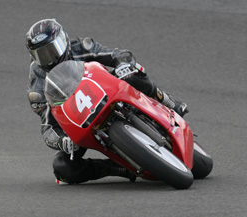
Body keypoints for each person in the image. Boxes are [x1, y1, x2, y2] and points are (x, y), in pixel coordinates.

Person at [26, 19, 188, 184]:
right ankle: (116, 168)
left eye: (53, 50)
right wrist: (62, 141)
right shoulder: (37, 86)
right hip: (79, 119)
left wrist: (122, 64)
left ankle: (166, 100)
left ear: (64, 40)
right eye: (42, 55)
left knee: (133, 73)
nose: (50, 59)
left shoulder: (81, 48)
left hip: (105, 89)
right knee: (62, 167)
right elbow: (47, 127)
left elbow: (118, 54)